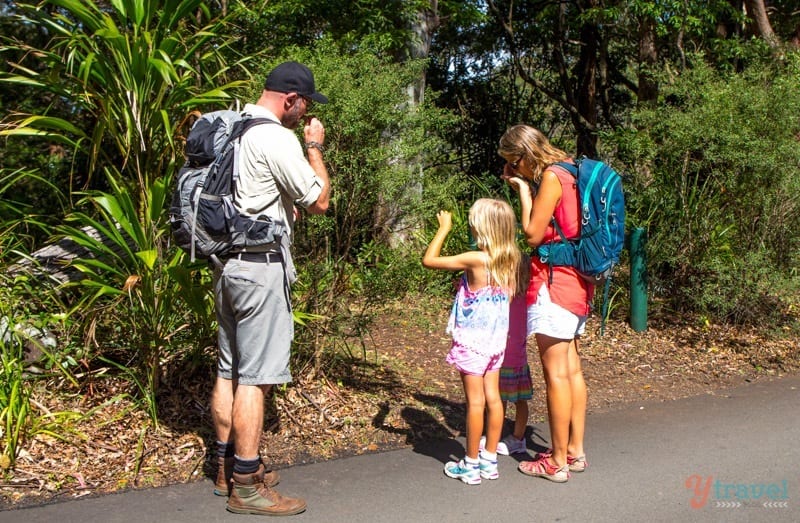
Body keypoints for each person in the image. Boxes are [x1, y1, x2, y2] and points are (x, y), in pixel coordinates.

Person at [209, 61, 331, 516]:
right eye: (303, 106)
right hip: (259, 270)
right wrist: (314, 148)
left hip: (224, 266)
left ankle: (223, 467)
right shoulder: (276, 135)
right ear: (290, 99)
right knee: (256, 378)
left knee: (229, 369)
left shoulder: (232, 126)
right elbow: (319, 199)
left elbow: (249, 194)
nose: (303, 114)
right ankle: (246, 483)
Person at [499, 124, 591, 483]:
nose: (513, 169)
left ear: (523, 156)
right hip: (578, 282)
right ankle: (575, 452)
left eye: (513, 162)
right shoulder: (571, 168)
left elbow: (533, 234)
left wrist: (523, 191)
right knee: (571, 371)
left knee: (556, 375)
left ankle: (556, 461)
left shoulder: (551, 177)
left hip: (553, 283)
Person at [422, 199, 522, 485]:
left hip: (473, 343)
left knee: (475, 403)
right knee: (494, 399)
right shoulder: (510, 259)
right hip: (495, 342)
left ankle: (470, 464)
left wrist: (443, 229)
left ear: (484, 228)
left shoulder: (476, 259)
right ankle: (489, 460)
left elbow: (429, 260)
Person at [480, 254, 533, 456]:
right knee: (497, 397)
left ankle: (518, 437)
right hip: (499, 354)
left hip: (514, 357)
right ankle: (495, 433)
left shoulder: (523, 295)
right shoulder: (503, 293)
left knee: (518, 399)